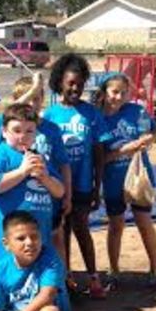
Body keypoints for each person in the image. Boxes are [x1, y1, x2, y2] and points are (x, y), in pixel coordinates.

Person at [44, 54, 107, 297]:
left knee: (81, 227)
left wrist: (96, 185)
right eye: (71, 83)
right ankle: (67, 276)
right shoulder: (49, 115)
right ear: (60, 82)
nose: (75, 89)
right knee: (62, 231)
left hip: (81, 184)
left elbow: (99, 152)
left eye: (80, 84)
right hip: (57, 187)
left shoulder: (91, 114)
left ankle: (93, 276)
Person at [97, 72, 156, 290]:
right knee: (116, 225)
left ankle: (155, 267)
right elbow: (100, 158)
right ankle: (114, 269)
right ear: (105, 91)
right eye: (115, 92)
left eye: (124, 93)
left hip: (139, 177)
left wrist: (149, 140)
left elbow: (154, 129)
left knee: (144, 221)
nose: (119, 97)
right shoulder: (98, 118)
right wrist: (126, 149)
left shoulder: (136, 111)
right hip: (113, 180)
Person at [0, 102, 64, 269]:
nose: (22, 136)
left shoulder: (39, 157)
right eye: (16, 131)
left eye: (29, 131)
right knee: (9, 272)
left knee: (38, 275)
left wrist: (45, 178)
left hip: (39, 230)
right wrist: (23, 171)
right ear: (4, 132)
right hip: (10, 232)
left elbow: (59, 191)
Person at [9, 74, 71, 268]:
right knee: (25, 241)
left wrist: (68, 195)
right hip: (22, 197)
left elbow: (63, 163)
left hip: (50, 194)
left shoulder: (51, 129)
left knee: (56, 237)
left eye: (36, 99)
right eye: (28, 99)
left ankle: (60, 281)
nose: (32, 105)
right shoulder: (12, 130)